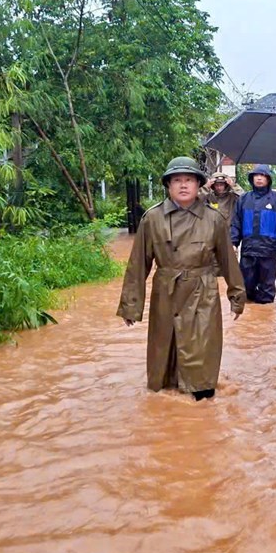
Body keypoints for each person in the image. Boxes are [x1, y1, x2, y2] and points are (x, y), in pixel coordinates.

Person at [117, 156, 246, 400]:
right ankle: (166, 404)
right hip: (166, 291)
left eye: (189, 180)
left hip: (203, 291)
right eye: (177, 180)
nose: (183, 185)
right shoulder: (152, 218)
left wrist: (237, 296)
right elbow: (138, 265)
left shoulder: (214, 219)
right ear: (168, 185)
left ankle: (203, 400)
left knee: (202, 350)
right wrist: (130, 305)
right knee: (164, 357)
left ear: (199, 185)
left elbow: (228, 261)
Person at [230, 164, 276, 304]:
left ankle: (266, 313)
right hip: (248, 249)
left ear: (268, 179)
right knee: (246, 287)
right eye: (256, 175)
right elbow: (236, 223)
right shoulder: (244, 199)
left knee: (267, 290)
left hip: (269, 251)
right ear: (252, 178)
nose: (259, 178)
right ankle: (250, 315)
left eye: (262, 176)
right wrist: (233, 243)